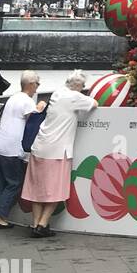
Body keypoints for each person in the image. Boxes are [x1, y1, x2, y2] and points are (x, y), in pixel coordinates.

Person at [22, 70, 96, 237]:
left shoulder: (57, 93)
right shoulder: (74, 97)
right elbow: (94, 103)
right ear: (78, 86)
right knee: (57, 190)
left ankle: (35, 224)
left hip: (39, 147)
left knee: (36, 189)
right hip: (58, 152)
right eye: (83, 86)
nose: (83, 89)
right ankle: (42, 224)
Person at [0, 70, 44, 230]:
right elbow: (34, 124)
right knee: (15, 183)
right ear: (31, 84)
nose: (37, 88)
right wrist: (39, 108)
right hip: (11, 149)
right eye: (37, 84)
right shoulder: (27, 102)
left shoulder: (13, 97)